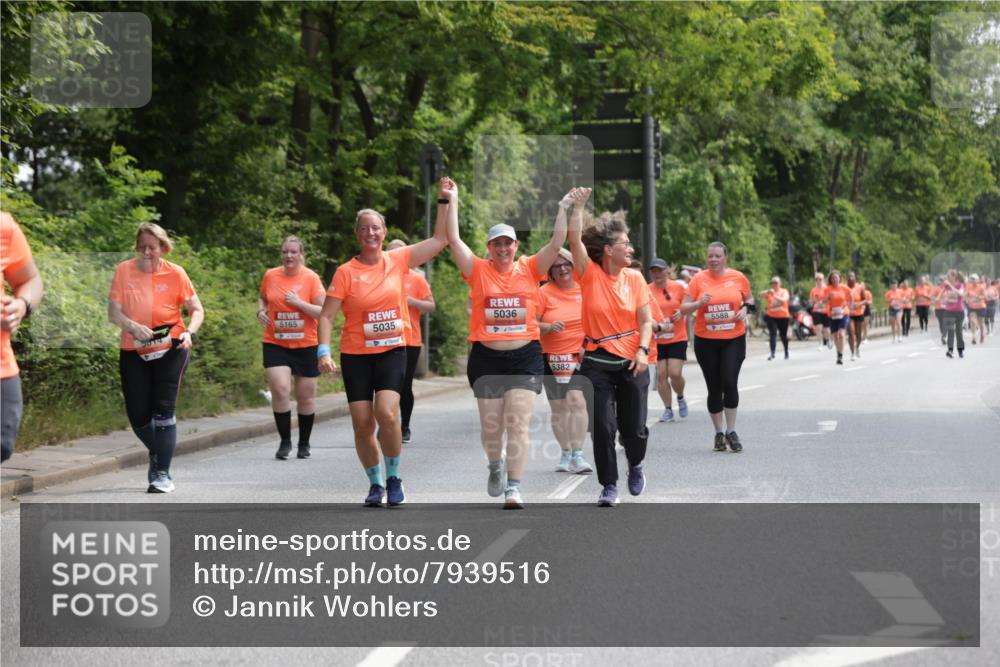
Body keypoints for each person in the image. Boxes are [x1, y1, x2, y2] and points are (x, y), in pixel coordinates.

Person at [316, 180, 450, 507]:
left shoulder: (398, 259)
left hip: (392, 349)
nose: (370, 233)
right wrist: (324, 352)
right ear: (357, 235)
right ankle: (375, 483)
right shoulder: (345, 272)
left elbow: (440, 239)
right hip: (356, 355)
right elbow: (326, 316)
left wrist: (444, 201)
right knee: (363, 424)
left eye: (375, 228)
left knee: (387, 413)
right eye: (364, 228)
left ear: (384, 232)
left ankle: (394, 477)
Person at [446, 186, 570, 510]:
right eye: (497, 244)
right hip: (486, 359)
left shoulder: (530, 268)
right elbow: (453, 240)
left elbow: (557, 243)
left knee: (517, 424)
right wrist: (453, 200)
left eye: (508, 243)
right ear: (489, 248)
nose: (503, 248)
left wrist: (563, 207)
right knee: (492, 429)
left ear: (516, 246)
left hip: (525, 357)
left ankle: (514, 488)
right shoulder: (477, 270)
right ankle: (494, 464)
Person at [567, 193, 653, 507]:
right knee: (603, 427)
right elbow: (574, 240)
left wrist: (643, 350)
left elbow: (646, 320)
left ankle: (636, 463)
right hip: (596, 361)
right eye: (625, 244)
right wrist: (578, 208)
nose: (630, 249)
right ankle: (609, 485)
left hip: (632, 361)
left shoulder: (635, 278)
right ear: (608, 250)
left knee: (634, 430)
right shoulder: (589, 274)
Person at [108, 223, 204, 492]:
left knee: (164, 409)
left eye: (153, 247)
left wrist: (189, 333)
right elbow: (113, 312)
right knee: (138, 415)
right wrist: (131, 326)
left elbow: (196, 309)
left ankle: (162, 473)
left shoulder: (176, 273)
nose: (147, 252)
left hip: (172, 346)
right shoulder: (124, 270)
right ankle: (159, 451)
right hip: (134, 349)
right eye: (142, 247)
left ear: (163, 247)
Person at [679, 242, 754, 453]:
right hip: (706, 340)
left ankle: (731, 430)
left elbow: (750, 299)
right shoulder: (698, 279)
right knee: (714, 387)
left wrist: (745, 308)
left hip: (733, 338)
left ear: (725, 258)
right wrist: (698, 304)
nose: (713, 259)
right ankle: (718, 433)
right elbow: (683, 308)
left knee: (729, 382)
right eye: (710, 256)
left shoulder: (738, 277)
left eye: (717, 256)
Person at [258, 236, 326, 460]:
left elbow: (323, 312)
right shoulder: (271, 275)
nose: (288, 256)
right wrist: (260, 311)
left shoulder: (311, 278)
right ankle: (285, 441)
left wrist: (299, 303)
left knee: (305, 397)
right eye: (285, 251)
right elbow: (263, 298)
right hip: (276, 343)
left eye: (293, 252)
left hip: (306, 344)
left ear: (301, 255)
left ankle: (304, 443)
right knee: (280, 390)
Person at [537, 248, 592, 475]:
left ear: (573, 265)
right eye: (557, 265)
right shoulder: (543, 293)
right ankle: (566, 452)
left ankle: (578, 455)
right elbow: (530, 323)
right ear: (550, 270)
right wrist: (548, 327)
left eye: (566, 263)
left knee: (576, 401)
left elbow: (597, 318)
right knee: (559, 407)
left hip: (579, 355)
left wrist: (587, 344)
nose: (562, 269)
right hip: (551, 357)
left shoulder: (585, 289)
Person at [1, 211, 43, 463]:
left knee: (2, 444)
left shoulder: (3, 227)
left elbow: (30, 280)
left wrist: (21, 305)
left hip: (2, 365)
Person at [386, 239, 435, 445]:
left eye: (400, 253)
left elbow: (431, 306)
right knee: (385, 386)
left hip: (410, 340)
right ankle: (387, 425)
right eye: (391, 253)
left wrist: (413, 302)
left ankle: (404, 426)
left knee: (404, 385)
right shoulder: (378, 276)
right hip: (384, 339)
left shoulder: (416, 279)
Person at [648, 258, 689, 421]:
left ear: (666, 271)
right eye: (654, 271)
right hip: (657, 338)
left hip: (677, 337)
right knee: (661, 375)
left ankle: (680, 396)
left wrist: (682, 311)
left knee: (675, 373)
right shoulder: (646, 290)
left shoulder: (678, 287)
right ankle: (668, 409)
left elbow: (688, 305)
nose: (657, 274)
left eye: (659, 270)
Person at [814, 270, 852, 365]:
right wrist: (828, 298)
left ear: (839, 278)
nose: (835, 279)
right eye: (833, 278)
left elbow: (851, 296)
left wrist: (848, 305)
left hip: (843, 313)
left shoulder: (844, 287)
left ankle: (841, 355)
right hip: (832, 314)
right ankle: (838, 353)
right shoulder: (827, 289)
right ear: (830, 279)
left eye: (836, 277)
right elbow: (822, 303)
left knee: (841, 334)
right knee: (835, 335)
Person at [760, 276, 790, 360]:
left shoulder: (784, 291)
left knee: (783, 335)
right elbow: (761, 294)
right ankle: (772, 353)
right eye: (773, 283)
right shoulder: (770, 292)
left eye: (776, 283)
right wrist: (768, 291)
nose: (774, 284)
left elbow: (784, 300)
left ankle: (786, 351)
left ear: (780, 283)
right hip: (772, 316)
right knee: (772, 334)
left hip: (783, 316)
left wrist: (774, 295)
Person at [940, 269, 966, 358]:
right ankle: (950, 350)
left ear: (954, 277)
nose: (947, 277)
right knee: (950, 331)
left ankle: (960, 350)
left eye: (949, 276)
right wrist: (943, 300)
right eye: (947, 276)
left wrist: (951, 286)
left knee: (959, 331)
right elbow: (942, 296)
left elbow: (961, 294)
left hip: (959, 311)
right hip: (949, 311)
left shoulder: (960, 285)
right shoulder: (946, 286)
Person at [845, 272, 865, 360]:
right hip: (848, 313)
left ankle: (857, 347)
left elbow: (865, 300)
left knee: (858, 334)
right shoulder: (844, 288)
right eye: (849, 276)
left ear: (855, 278)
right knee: (851, 332)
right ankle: (852, 353)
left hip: (859, 313)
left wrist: (858, 304)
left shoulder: (860, 287)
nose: (851, 278)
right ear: (847, 278)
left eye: (852, 276)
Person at [809, 272, 830, 350]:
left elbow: (829, 299)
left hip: (826, 311)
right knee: (818, 327)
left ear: (823, 279)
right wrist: (811, 302)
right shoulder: (813, 290)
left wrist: (821, 303)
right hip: (816, 311)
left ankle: (828, 340)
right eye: (816, 279)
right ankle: (820, 344)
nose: (818, 280)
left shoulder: (827, 289)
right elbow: (811, 301)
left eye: (820, 279)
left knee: (826, 329)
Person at [965, 274, 986, 345]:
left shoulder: (981, 287)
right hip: (972, 307)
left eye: (974, 279)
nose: (972, 280)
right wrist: (967, 299)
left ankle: (982, 334)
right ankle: (973, 337)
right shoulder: (968, 286)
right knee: (972, 321)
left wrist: (979, 297)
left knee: (981, 324)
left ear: (977, 280)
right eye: (971, 279)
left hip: (981, 306)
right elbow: (966, 295)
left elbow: (985, 296)